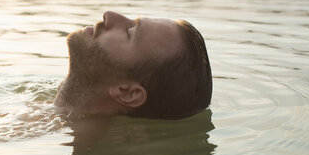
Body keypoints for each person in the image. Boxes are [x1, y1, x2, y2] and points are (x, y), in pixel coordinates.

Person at [54, 11, 212, 119]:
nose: (109, 15)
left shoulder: (49, 140)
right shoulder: (46, 119)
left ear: (128, 93)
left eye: (129, 33)